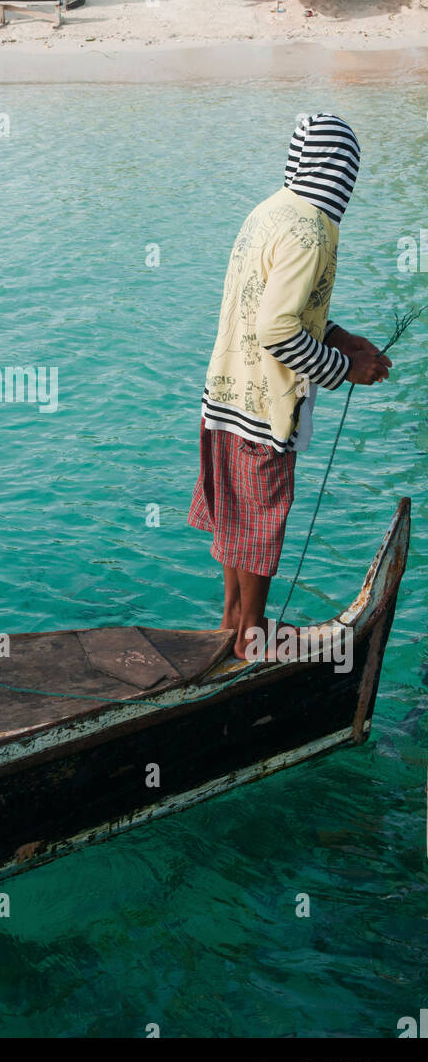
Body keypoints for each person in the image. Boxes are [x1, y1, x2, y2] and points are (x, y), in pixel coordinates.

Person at [188, 114, 391, 661]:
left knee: (236, 515)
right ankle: (252, 638)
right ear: (340, 169)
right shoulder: (313, 229)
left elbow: (270, 302)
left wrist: (343, 338)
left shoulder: (269, 211)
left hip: (224, 395)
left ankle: (233, 621)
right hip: (265, 405)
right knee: (259, 520)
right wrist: (344, 368)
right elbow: (276, 328)